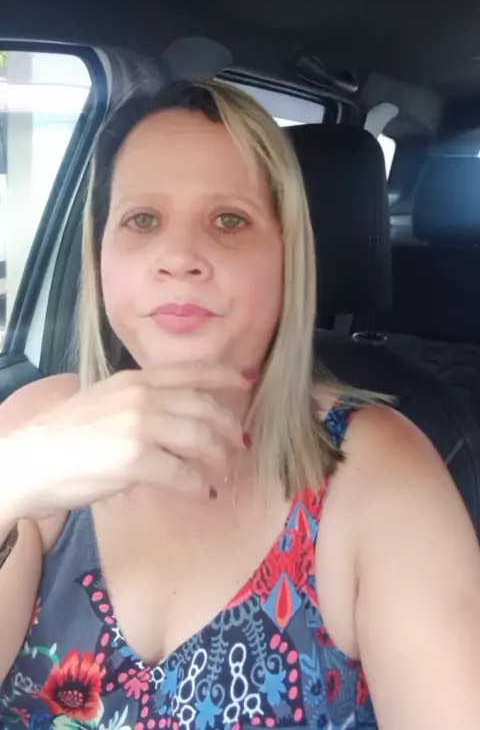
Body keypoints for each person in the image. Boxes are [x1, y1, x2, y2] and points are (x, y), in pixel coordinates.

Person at [0, 81, 478, 730]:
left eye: (230, 219)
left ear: (287, 255)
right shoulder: (37, 428)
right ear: (101, 252)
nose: (179, 257)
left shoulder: (382, 478)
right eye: (142, 219)